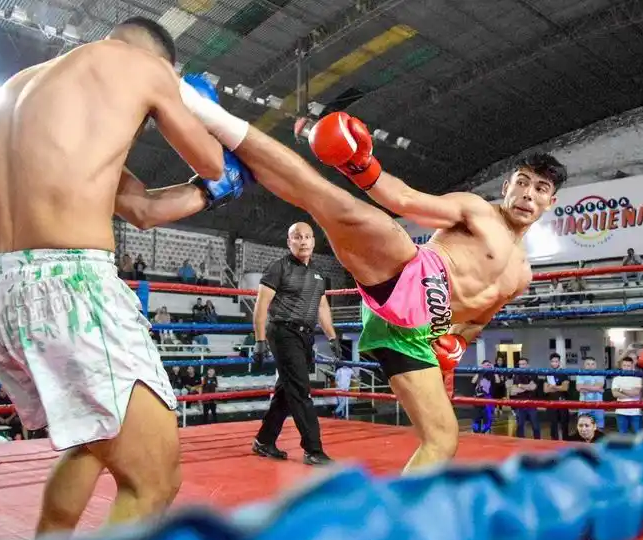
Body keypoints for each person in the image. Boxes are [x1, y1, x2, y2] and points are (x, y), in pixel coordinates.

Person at [177, 77, 565, 472]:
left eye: (540, 188)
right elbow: (405, 200)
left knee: (443, 440)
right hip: (408, 273)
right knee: (329, 201)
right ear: (506, 185)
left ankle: (394, 526)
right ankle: (206, 113)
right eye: (522, 182)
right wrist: (361, 164)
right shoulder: (477, 210)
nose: (528, 194)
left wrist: (458, 343)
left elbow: (477, 320)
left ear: (551, 201)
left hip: (418, 331)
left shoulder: (521, 276)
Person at [0, 17, 251, 537]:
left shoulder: (21, 88)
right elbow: (213, 159)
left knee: (91, 443)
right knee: (155, 482)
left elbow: (141, 209)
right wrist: (202, 116)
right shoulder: (142, 67)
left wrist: (210, 195)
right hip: (73, 289)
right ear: (165, 64)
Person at [251, 222, 340, 466]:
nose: (303, 241)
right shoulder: (277, 268)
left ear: (313, 241)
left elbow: (322, 307)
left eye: (307, 237)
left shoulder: (319, 275)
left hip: (305, 336)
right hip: (282, 332)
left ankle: (264, 440)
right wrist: (259, 341)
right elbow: (261, 307)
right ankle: (313, 449)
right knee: (301, 390)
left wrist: (332, 337)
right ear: (289, 242)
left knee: (286, 391)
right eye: (297, 237)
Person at [507, 357, 541, 439]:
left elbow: (533, 387)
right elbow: (514, 390)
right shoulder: (516, 375)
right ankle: (521, 444)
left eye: (523, 364)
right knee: (520, 426)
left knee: (535, 426)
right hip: (520, 404)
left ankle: (538, 443)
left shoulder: (533, 374)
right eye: (520, 364)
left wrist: (520, 386)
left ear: (528, 365)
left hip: (531, 403)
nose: (521, 366)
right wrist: (527, 387)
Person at [611, 355, 643, 434]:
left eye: (628, 365)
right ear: (621, 366)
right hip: (621, 410)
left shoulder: (637, 377)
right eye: (624, 365)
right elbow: (615, 394)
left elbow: (636, 393)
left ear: (632, 365)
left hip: (635, 411)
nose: (626, 367)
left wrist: (621, 389)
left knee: (638, 434)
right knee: (622, 434)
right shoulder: (617, 378)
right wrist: (630, 394)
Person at [543, 352, 570, 440]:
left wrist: (553, 387)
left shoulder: (564, 373)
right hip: (551, 401)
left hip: (562, 401)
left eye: (556, 361)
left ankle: (566, 442)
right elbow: (545, 390)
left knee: (564, 423)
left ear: (559, 362)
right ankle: (553, 442)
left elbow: (565, 388)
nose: (554, 363)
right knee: (553, 424)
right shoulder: (548, 373)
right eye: (552, 361)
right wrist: (558, 387)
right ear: (550, 362)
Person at [576, 356, 605, 430]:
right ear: (584, 365)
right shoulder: (580, 374)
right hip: (584, 405)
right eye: (588, 364)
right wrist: (597, 389)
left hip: (598, 405)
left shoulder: (600, 374)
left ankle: (598, 442)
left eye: (592, 364)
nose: (590, 366)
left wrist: (584, 387)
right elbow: (579, 388)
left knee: (599, 427)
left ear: (596, 365)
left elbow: (599, 386)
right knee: (583, 428)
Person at [470, 360, 500, 434]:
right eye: (486, 365)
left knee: (487, 423)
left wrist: (494, 370)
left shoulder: (492, 375)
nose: (488, 366)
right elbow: (473, 382)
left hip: (487, 401)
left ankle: (486, 437)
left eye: (489, 365)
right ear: (482, 365)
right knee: (476, 424)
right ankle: (477, 437)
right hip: (478, 402)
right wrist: (479, 371)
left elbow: (498, 382)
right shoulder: (479, 375)